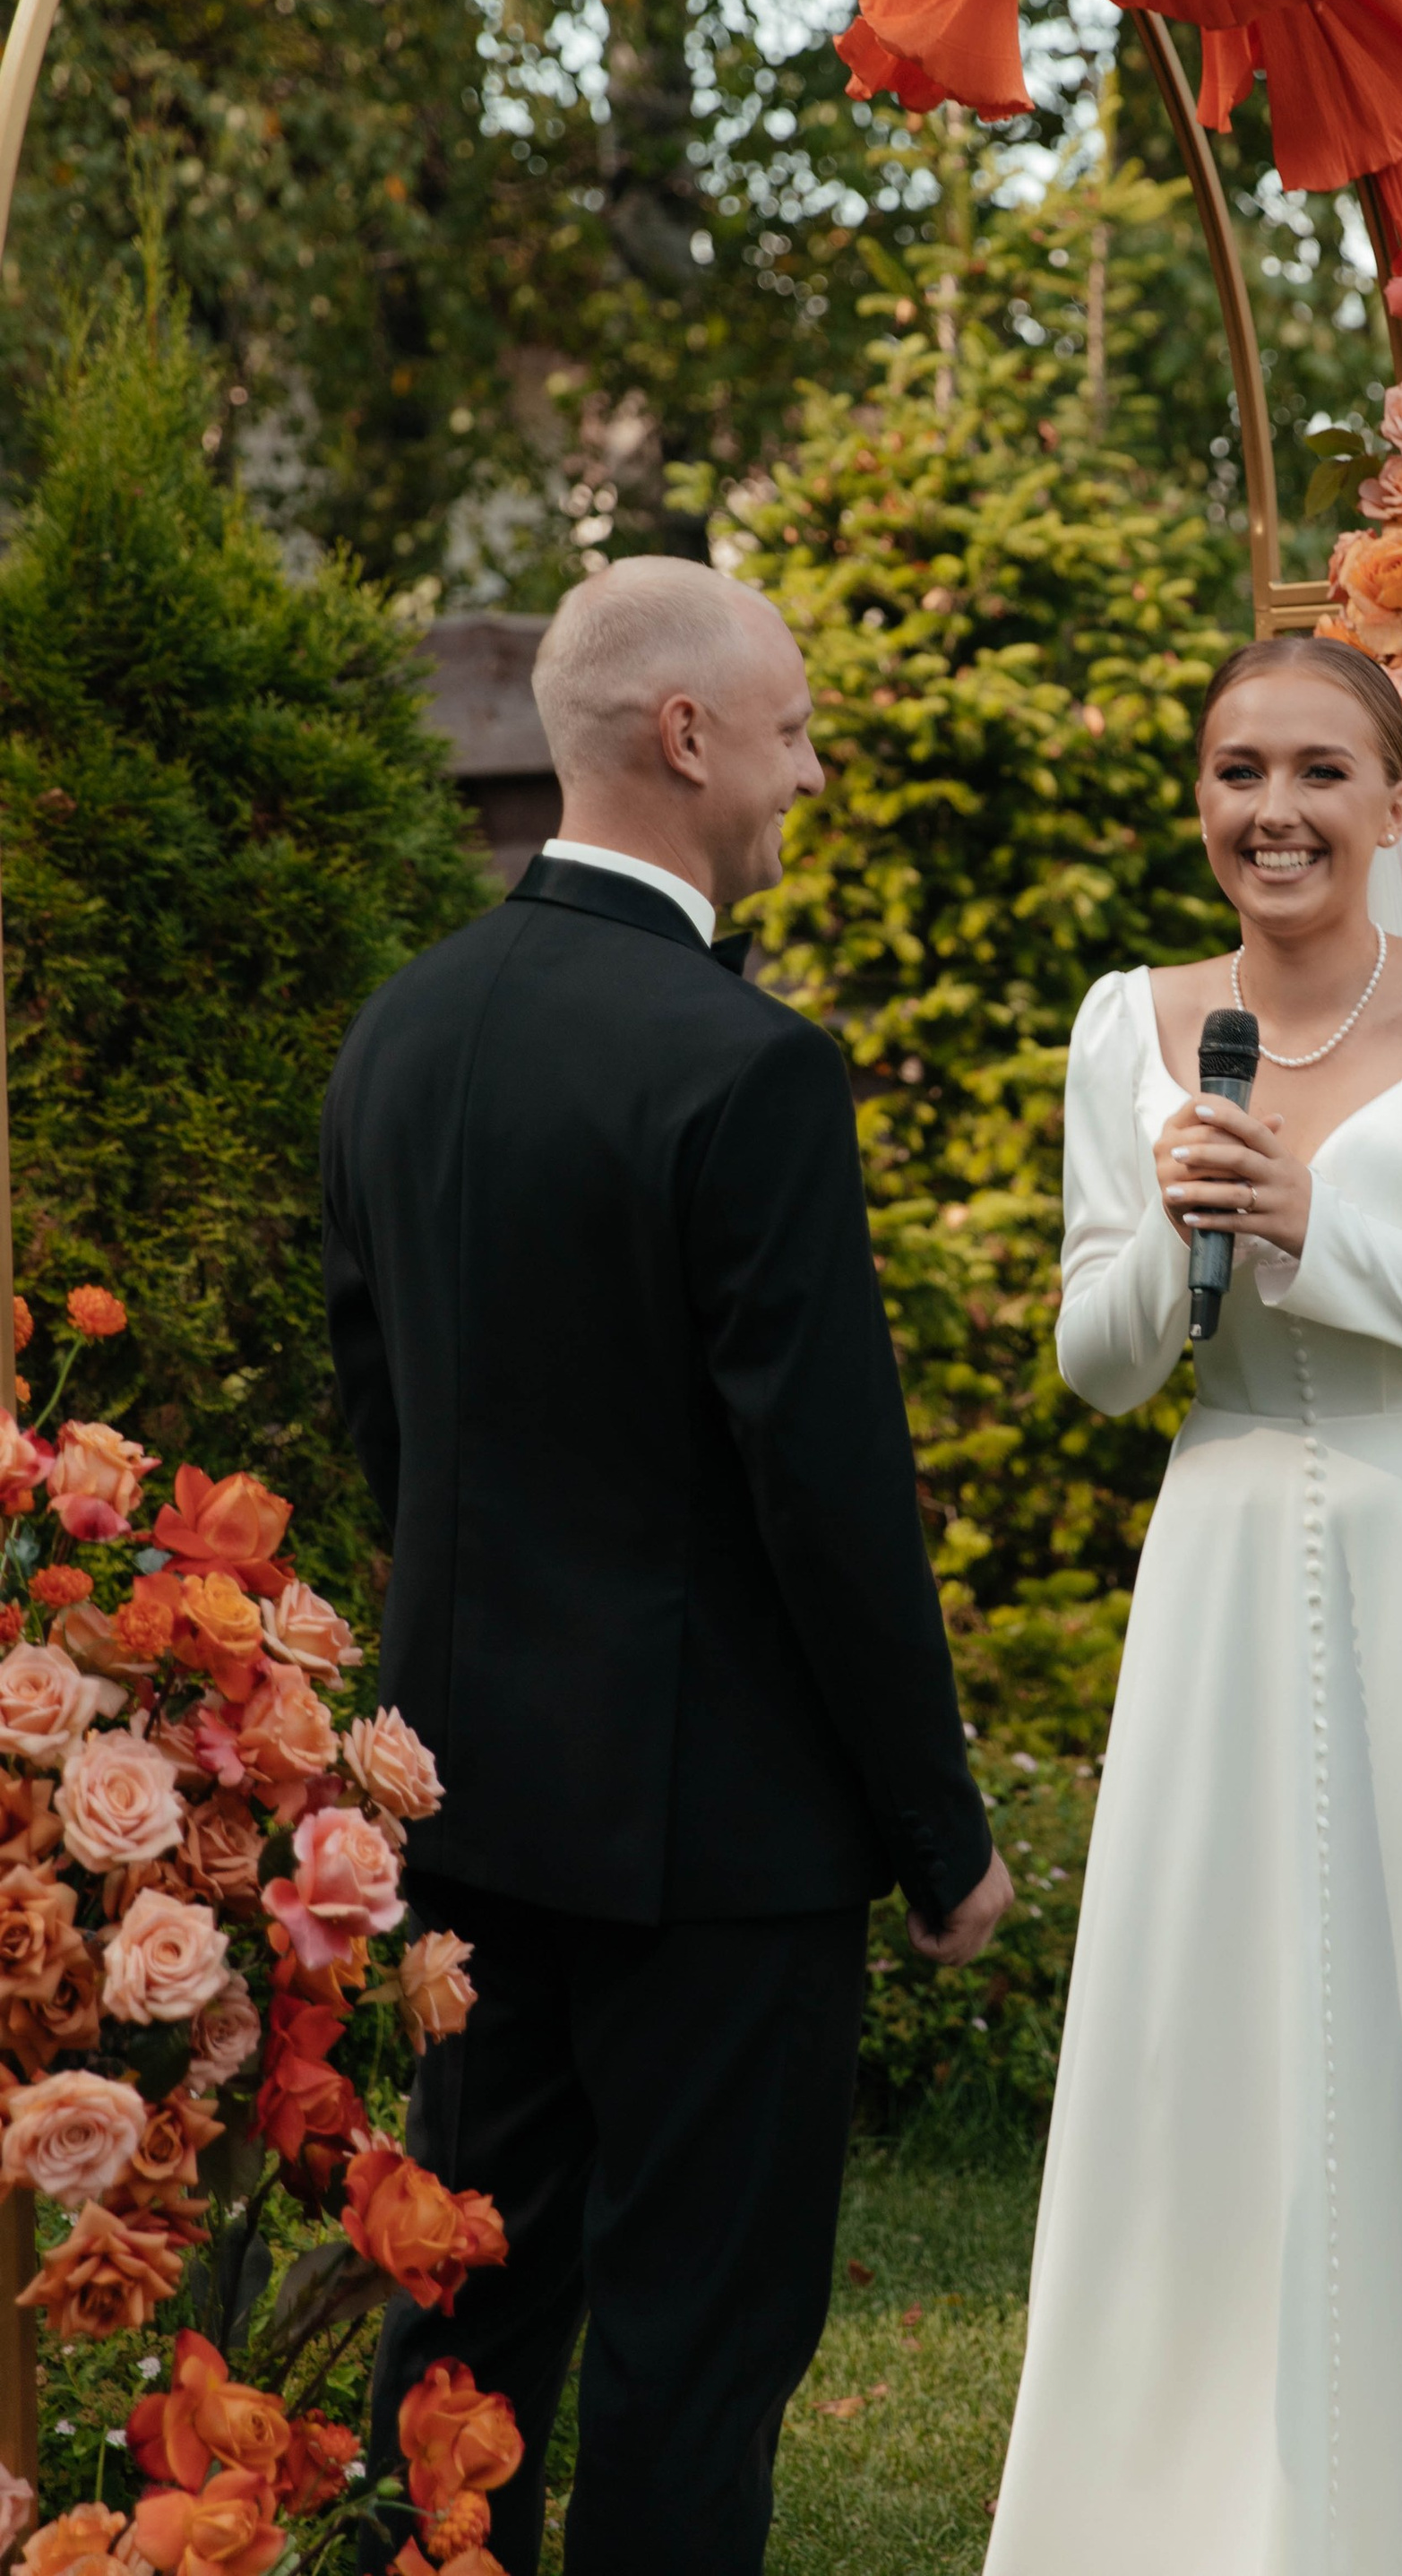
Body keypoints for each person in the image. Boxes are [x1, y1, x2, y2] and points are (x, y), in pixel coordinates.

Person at [323, 556, 1011, 2576]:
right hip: (721, 1844)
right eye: (790, 729)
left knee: (464, 2325)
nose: (805, 772)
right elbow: (827, 1492)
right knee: (695, 2355)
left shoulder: (401, 1030)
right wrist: (933, 1828)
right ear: (686, 735)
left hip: (467, 1806)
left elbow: (394, 1435)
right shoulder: (749, 1067)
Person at [983, 634, 1402, 2576]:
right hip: (1218, 1576)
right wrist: (1181, 1231)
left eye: (1313, 773)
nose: (1268, 810)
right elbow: (1102, 1363)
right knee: (1212, 2068)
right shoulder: (1128, 1022)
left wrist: (1323, 1228)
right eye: (1231, 771)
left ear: (1396, 804)